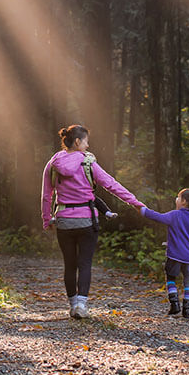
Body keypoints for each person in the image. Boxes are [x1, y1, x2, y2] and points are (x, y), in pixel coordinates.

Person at [41, 125, 144, 319]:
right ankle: (81, 305)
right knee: (85, 263)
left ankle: (72, 305)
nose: (88, 145)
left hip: (64, 220)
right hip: (87, 220)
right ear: (78, 142)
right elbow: (111, 184)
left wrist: (47, 220)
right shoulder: (88, 163)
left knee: (69, 264)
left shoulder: (53, 163)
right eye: (86, 141)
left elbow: (47, 195)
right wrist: (134, 203)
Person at [139, 188, 189, 318]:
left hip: (174, 256)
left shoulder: (174, 215)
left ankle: (174, 304)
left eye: (178, 197)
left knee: (170, 278)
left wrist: (142, 210)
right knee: (188, 282)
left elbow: (157, 217)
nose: (176, 199)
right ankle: (187, 309)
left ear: (184, 201)